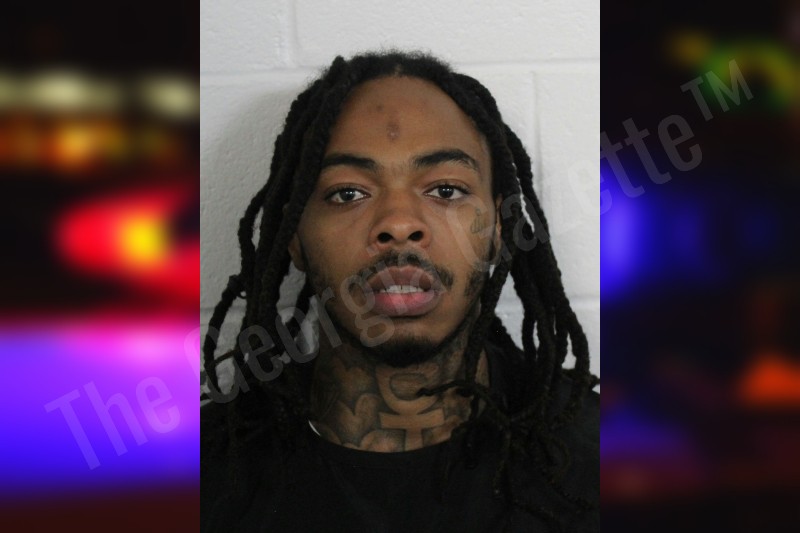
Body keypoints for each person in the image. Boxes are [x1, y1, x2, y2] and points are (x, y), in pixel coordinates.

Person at [201, 50, 599, 533]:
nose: (399, 223)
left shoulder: (602, 458)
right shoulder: (205, 477)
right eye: (348, 193)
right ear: (294, 236)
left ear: (499, 227)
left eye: (446, 190)